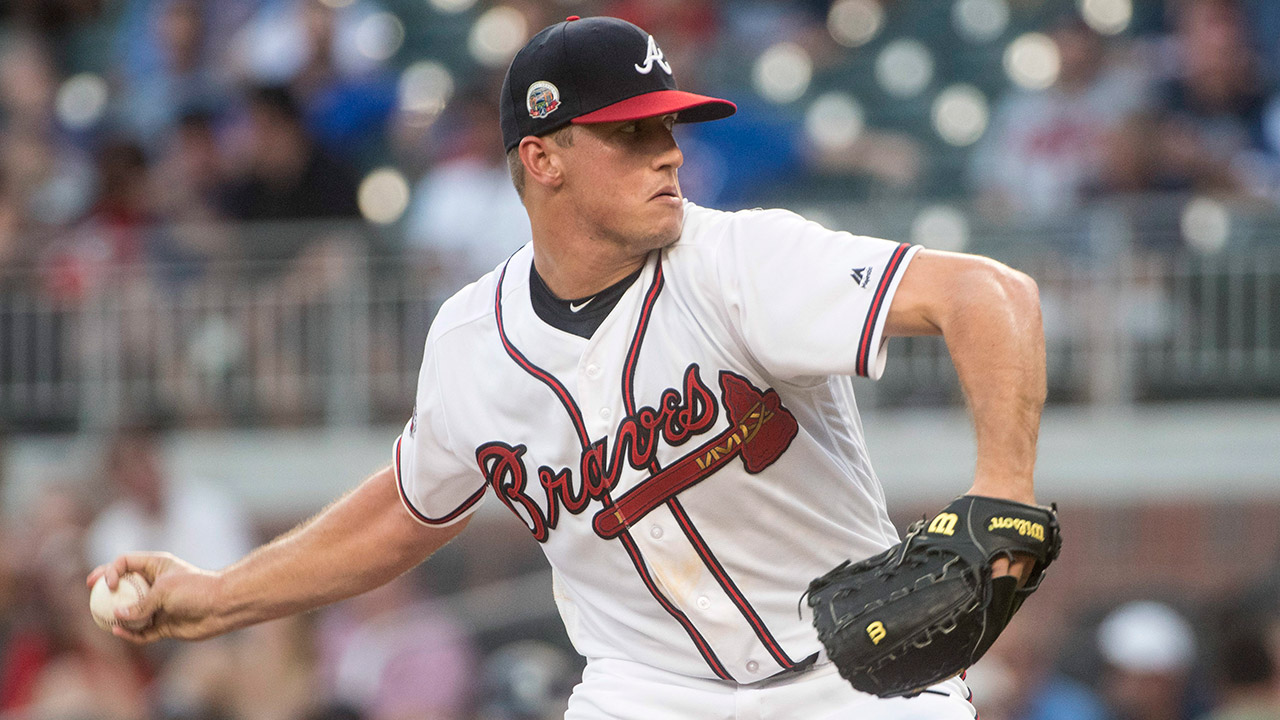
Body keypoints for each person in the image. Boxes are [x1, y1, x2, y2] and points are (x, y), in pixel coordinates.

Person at [89, 16, 1049, 720]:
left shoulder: (738, 262)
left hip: (855, 681)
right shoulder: (473, 340)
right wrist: (216, 597)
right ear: (542, 159)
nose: (666, 153)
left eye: (669, 127)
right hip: (648, 693)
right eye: (630, 133)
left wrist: (1001, 489)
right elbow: (404, 508)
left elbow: (989, 296)